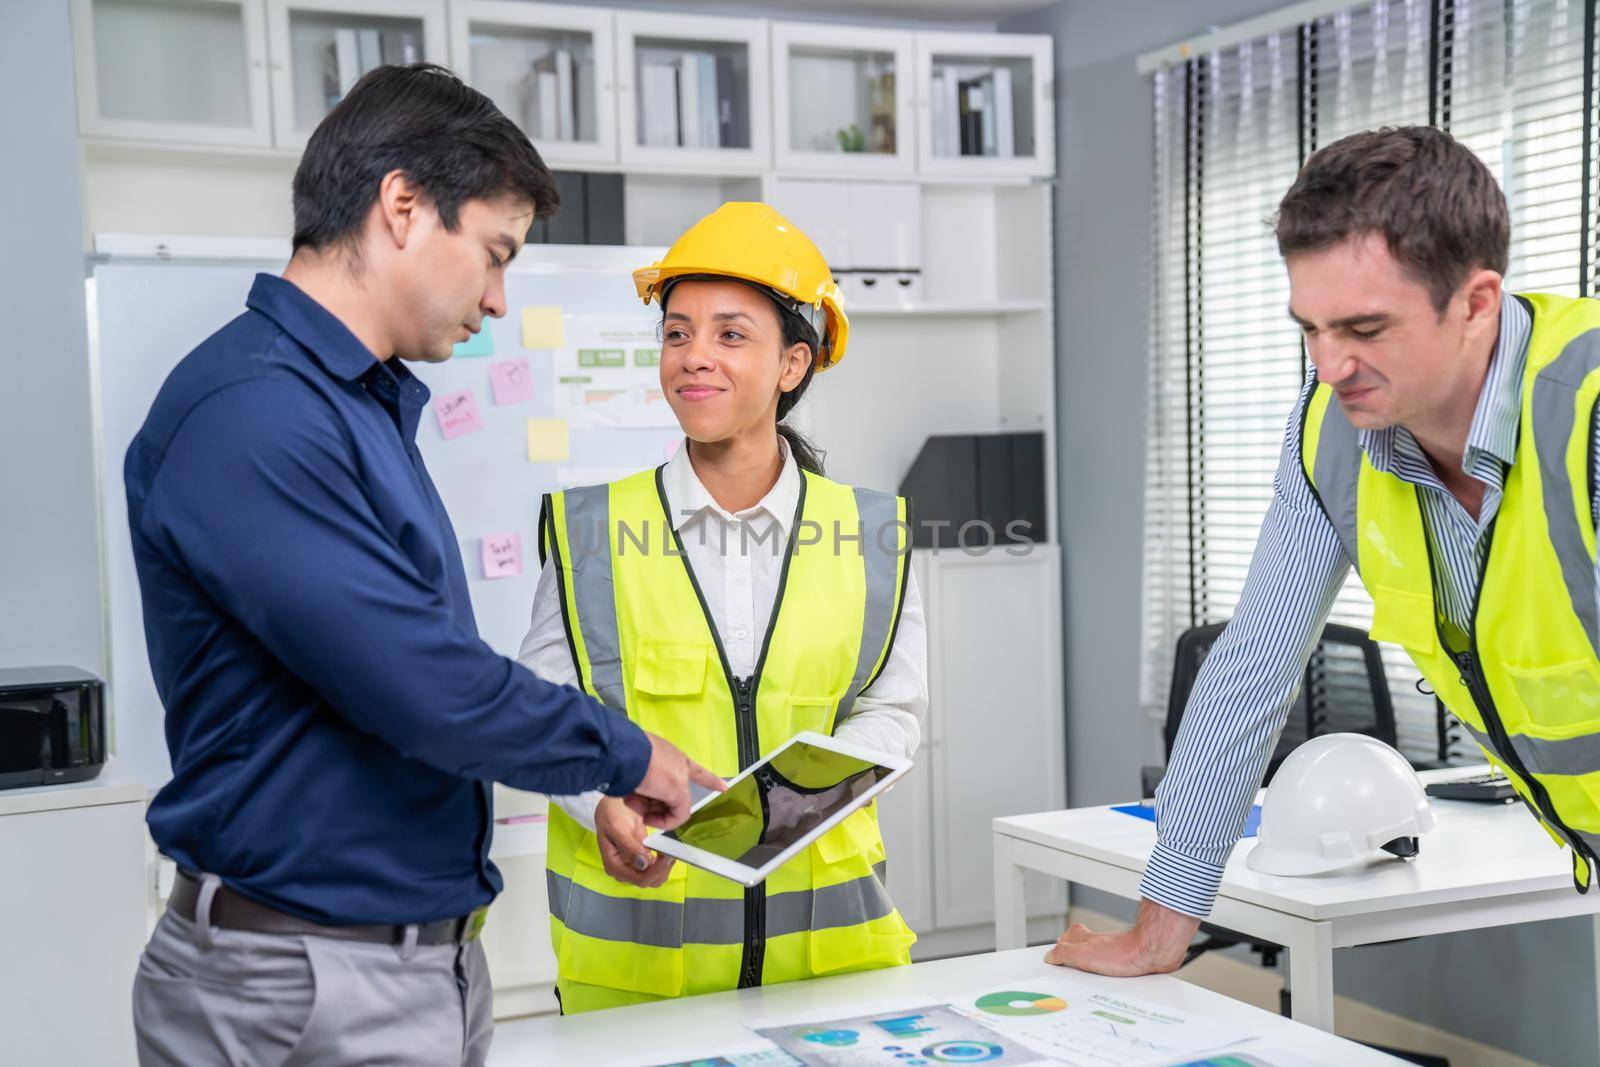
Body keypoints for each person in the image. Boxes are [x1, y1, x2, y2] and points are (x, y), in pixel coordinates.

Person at [126, 64, 719, 1066]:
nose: (495, 300)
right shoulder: (255, 413)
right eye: (493, 255)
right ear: (401, 205)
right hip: (298, 986)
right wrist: (625, 751)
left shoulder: (352, 405)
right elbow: (422, 684)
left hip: (397, 962)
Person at [1050, 125, 1600, 976]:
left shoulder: (1589, 415)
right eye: (1308, 327)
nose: (1330, 364)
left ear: (1477, 303)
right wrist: (1161, 929)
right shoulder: (1332, 437)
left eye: (1366, 327)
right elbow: (1252, 668)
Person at [518, 202, 928, 1013]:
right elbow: (544, 712)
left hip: (831, 977)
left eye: (730, 334)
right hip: (640, 993)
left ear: (792, 363)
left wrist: (783, 809)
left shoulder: (872, 531)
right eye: (677, 333)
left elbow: (894, 710)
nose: (693, 358)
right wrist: (600, 799)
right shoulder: (587, 530)